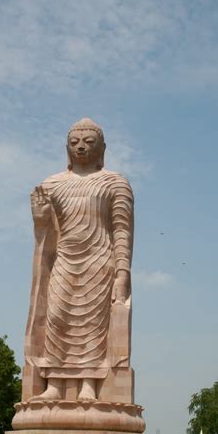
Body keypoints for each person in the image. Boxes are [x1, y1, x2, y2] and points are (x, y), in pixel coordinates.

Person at [24, 117, 134, 402]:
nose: (81, 147)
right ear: (66, 148)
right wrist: (40, 220)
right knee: (57, 319)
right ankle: (55, 385)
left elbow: (122, 228)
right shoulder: (52, 184)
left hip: (99, 261)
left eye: (89, 142)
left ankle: (88, 383)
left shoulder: (115, 183)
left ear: (103, 148)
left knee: (92, 327)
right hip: (64, 260)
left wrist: (122, 271)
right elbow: (47, 233)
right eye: (75, 143)